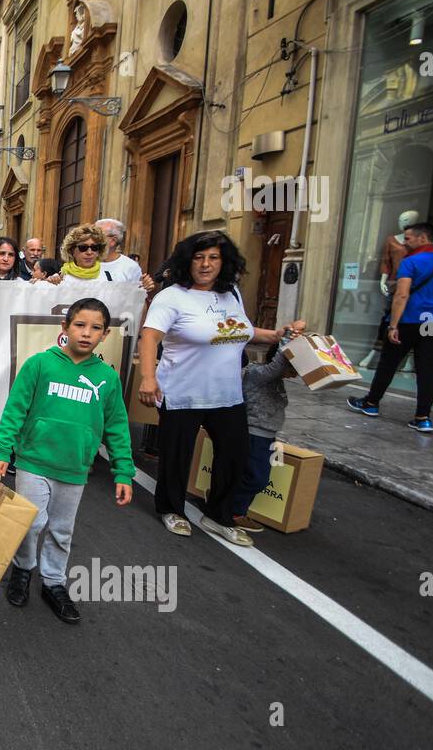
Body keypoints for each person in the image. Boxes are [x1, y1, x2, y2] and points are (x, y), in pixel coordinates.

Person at [137, 230, 298, 547]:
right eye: (199, 257)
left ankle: (218, 514)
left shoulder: (231, 294)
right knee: (177, 456)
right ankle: (172, 510)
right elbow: (150, 336)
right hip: (182, 391)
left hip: (227, 394)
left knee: (234, 456)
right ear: (187, 261)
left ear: (224, 263)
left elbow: (244, 332)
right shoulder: (172, 296)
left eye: (213, 257)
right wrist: (147, 377)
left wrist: (280, 333)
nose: (206, 264)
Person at [0, 298, 134, 622]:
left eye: (95, 328)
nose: (86, 333)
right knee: (29, 523)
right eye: (80, 325)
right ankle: (23, 569)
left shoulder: (107, 379)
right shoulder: (39, 364)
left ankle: (54, 582)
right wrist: (2, 451)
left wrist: (123, 471)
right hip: (34, 461)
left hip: (74, 468)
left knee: (61, 530)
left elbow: (116, 426)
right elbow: (15, 409)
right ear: (65, 327)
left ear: (105, 334)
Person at [348, 221, 433, 432]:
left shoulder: (410, 261)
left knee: (388, 363)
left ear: (423, 238)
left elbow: (402, 294)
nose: (404, 242)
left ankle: (371, 403)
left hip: (410, 320)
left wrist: (393, 326)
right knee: (427, 369)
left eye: (408, 238)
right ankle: (423, 417)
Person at [231, 335, 301, 533]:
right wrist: (288, 340)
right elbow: (278, 365)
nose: (294, 375)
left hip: (266, 435)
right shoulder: (260, 374)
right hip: (255, 434)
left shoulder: (275, 380)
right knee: (257, 478)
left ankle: (233, 506)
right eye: (292, 369)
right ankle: (233, 508)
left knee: (253, 475)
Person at [94, 218, 145, 282]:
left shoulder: (130, 267)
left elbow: (137, 290)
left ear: (113, 241)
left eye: (98, 236)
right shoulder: (85, 261)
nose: (92, 240)